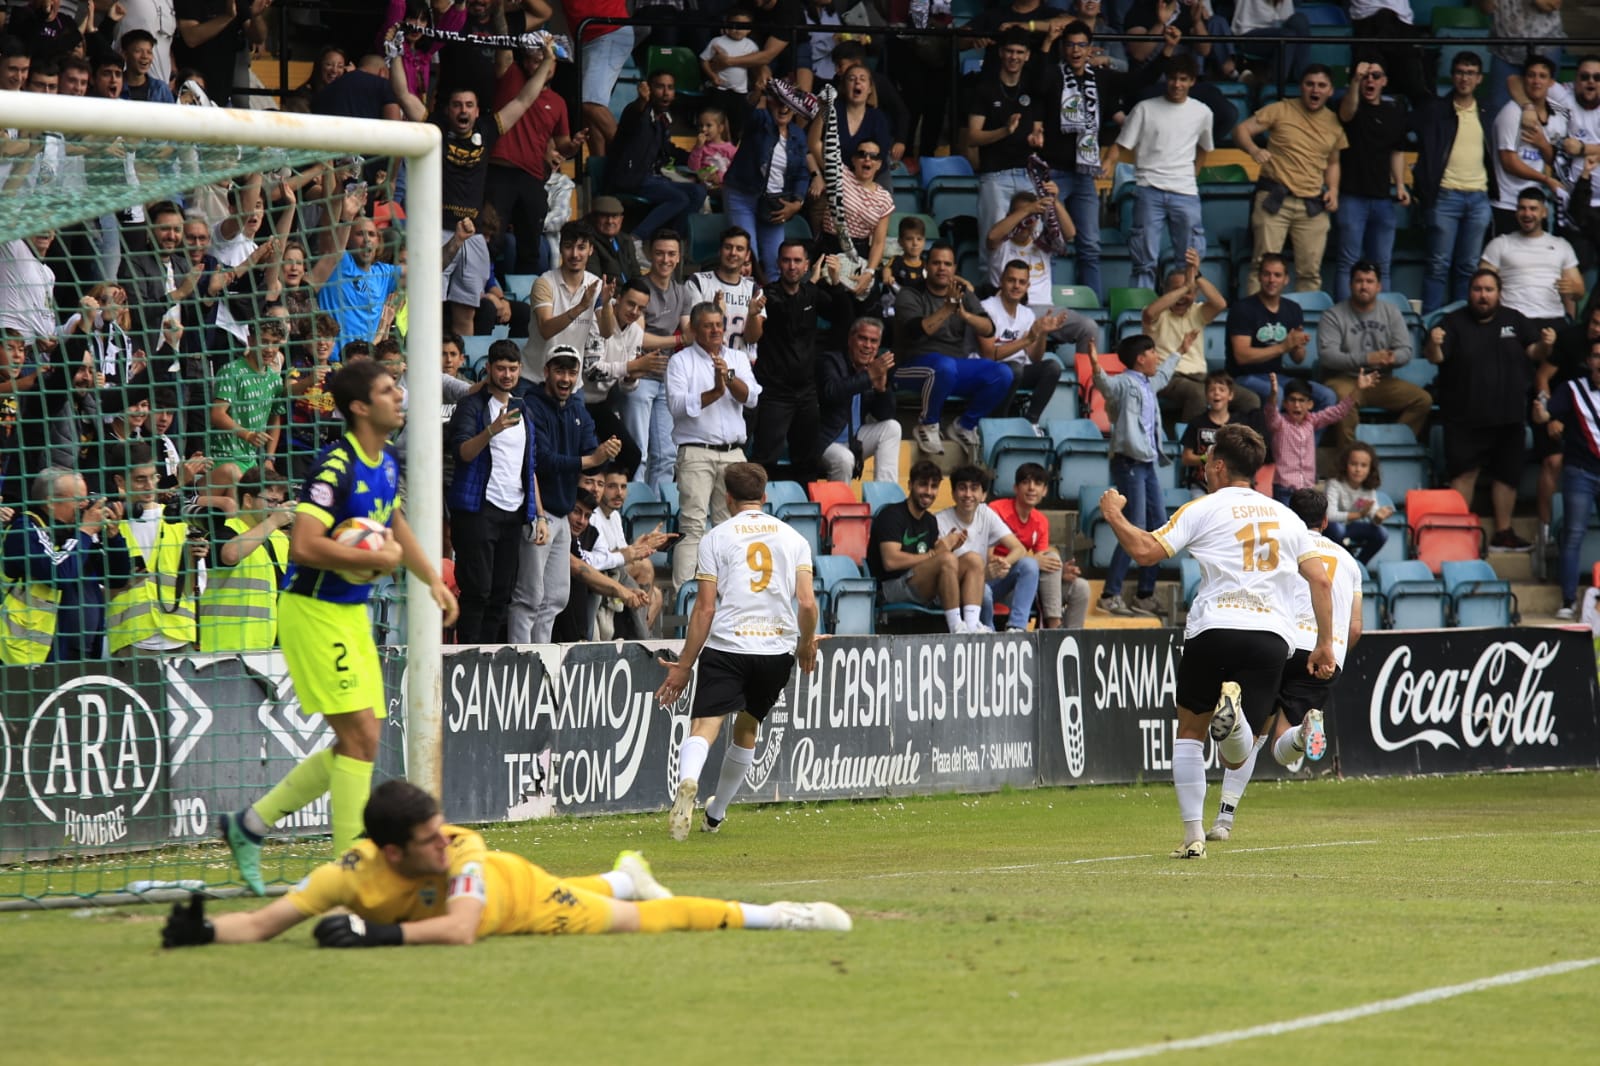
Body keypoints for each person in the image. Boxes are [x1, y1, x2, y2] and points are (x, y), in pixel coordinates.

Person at [221, 360, 460, 896]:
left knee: (361, 741)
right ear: (359, 407)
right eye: (386, 389)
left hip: (351, 612)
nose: (400, 396)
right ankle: (350, 868)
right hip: (313, 610)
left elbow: (394, 522)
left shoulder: (387, 460)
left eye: (398, 385)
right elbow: (304, 544)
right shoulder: (334, 466)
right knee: (360, 737)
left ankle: (250, 826)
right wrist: (382, 560)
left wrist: (430, 579)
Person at [164, 779, 849, 949]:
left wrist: (377, 936)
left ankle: (779, 915)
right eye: (429, 839)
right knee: (619, 891)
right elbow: (260, 924)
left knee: (647, 923)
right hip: (503, 892)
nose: (448, 840)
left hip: (514, 898)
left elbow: (461, 930)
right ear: (391, 853)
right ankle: (622, 873)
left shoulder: (464, 852)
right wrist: (204, 931)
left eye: (443, 830)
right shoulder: (348, 875)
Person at [1099, 423, 1335, 858]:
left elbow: (1147, 552)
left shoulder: (1202, 508)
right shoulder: (1287, 517)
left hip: (1213, 629)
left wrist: (1114, 514)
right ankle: (1238, 721)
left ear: (1221, 465)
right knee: (1236, 755)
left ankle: (1192, 836)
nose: (1205, 469)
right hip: (1269, 636)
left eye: (1208, 462)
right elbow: (1320, 581)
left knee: (1190, 732)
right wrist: (1323, 644)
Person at [657, 463, 818, 838]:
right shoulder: (794, 538)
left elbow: (705, 608)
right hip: (775, 649)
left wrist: (683, 666)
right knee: (748, 727)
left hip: (728, 644)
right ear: (764, 497)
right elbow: (807, 603)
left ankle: (689, 780)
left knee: (705, 724)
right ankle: (716, 815)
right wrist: (806, 642)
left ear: (726, 497)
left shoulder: (716, 537)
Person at [1207, 487, 1361, 842]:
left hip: (1281, 643)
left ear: (1289, 515)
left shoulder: (1283, 547)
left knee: (1250, 739)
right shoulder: (1350, 563)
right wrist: (1333, 651)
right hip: (1326, 654)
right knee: (1282, 748)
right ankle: (1306, 730)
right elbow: (1355, 627)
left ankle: (1224, 821)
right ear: (1325, 521)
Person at [1424, 269, 1555, 553]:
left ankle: (1503, 533)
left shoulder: (1515, 320)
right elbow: (1438, 357)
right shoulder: (1453, 321)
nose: (1483, 295)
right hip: (1463, 418)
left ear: (1499, 293)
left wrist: (1545, 344)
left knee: (1507, 477)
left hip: (1508, 417)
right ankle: (1457, 531)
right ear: (1469, 292)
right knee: (1463, 475)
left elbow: (1535, 353)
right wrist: (1433, 344)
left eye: (1488, 290)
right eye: (1477, 289)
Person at [515, 345, 621, 643]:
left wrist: (607, 452)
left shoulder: (576, 408)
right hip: (538, 511)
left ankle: (541, 656)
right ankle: (521, 657)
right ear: (546, 371)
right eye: (559, 370)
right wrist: (593, 460)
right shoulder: (531, 406)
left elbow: (591, 449)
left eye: (571, 372)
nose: (565, 378)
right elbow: (543, 461)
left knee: (556, 597)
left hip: (561, 512)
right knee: (529, 597)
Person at [448, 341, 546, 646]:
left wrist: (539, 515)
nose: (507, 374)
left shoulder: (523, 406)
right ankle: (466, 654)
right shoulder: (472, 406)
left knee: (502, 592)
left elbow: (529, 465)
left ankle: (490, 656)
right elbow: (463, 452)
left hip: (513, 511)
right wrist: (492, 430)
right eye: (500, 368)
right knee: (478, 590)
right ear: (488, 368)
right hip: (478, 510)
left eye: (513, 369)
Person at [666, 303, 761, 591]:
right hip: (696, 451)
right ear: (694, 329)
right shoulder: (680, 362)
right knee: (693, 526)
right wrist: (715, 392)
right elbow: (677, 407)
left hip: (733, 452)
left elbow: (753, 397)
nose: (716, 330)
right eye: (708, 325)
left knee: (730, 528)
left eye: (719, 325)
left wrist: (728, 379)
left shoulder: (736, 357)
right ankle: (685, 597)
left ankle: (729, 594)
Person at [1233, 65, 1349, 295]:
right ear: (1302, 87)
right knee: (1262, 267)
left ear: (1330, 91)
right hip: (1275, 198)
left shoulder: (1334, 123)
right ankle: (1256, 325)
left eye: (1321, 85)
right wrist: (1254, 150)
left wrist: (1333, 189)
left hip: (1312, 204)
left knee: (1310, 272)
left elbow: (1334, 162)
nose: (1315, 90)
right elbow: (1241, 130)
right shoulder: (1281, 109)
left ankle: (1303, 325)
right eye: (1310, 84)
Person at [0, 465, 133, 664]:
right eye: (78, 500)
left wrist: (113, 537)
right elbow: (59, 573)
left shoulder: (77, 532)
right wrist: (86, 532)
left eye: (86, 498)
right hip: (31, 655)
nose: (85, 505)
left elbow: (118, 578)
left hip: (83, 651)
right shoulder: (25, 529)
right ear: (52, 502)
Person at [1104, 53, 1214, 292]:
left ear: (1192, 81)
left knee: (1190, 261)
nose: (1177, 84)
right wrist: (1109, 162)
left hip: (1184, 192)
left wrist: (1192, 175)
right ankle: (1141, 308)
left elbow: (1205, 148)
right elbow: (1121, 144)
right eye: (1173, 78)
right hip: (1148, 189)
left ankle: (1185, 307)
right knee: (1143, 261)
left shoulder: (1203, 112)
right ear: (1166, 79)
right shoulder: (1145, 109)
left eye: (1183, 79)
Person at [1093, 333, 1183, 617]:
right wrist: (1096, 367)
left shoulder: (1148, 382)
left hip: (1147, 464)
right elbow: (1106, 387)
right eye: (1153, 352)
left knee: (1157, 526)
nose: (1157, 357)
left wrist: (1180, 350)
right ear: (1140, 358)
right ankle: (1110, 593)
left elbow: (1165, 373)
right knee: (1135, 524)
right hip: (1129, 463)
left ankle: (1145, 594)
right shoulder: (1123, 382)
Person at [892, 244, 1003, 454]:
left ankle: (964, 426)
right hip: (911, 365)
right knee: (944, 367)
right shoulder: (910, 292)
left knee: (1001, 373)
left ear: (954, 269)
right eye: (936, 263)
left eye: (947, 264)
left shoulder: (963, 294)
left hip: (952, 366)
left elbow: (989, 329)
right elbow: (916, 331)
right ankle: (928, 424)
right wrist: (947, 309)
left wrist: (966, 315)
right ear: (926, 266)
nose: (942, 268)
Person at [1410, 51, 1494, 314]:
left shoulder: (1487, 112)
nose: (1464, 78)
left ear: (1479, 78)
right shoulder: (1436, 110)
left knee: (1468, 268)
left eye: (1470, 73)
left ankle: (1462, 326)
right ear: (1452, 75)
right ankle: (1429, 326)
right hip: (1445, 196)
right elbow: (1411, 140)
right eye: (1459, 72)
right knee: (1438, 265)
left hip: (1479, 197)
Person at [1315, 262, 1432, 449]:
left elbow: (1406, 350)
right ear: (1350, 284)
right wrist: (1368, 358)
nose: (1364, 286)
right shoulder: (1333, 315)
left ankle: (1393, 446)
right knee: (1345, 399)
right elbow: (1328, 356)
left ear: (1379, 286)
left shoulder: (1391, 312)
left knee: (1422, 400)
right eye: (1359, 281)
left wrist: (1394, 358)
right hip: (1345, 379)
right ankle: (1350, 460)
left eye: (1369, 281)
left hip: (1381, 380)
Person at [107, 441, 204, 657]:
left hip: (179, 638)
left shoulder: (181, 519)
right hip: (129, 641)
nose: (150, 486)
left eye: (154, 477)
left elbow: (196, 589)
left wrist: (191, 561)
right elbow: (98, 594)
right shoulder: (109, 525)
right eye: (140, 480)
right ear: (120, 481)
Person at [868, 459, 986, 634]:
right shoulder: (891, 515)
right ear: (910, 485)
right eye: (923, 485)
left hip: (919, 582)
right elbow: (890, 561)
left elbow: (935, 563)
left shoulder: (930, 521)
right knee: (946, 559)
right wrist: (936, 554)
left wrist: (948, 548)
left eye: (934, 486)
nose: (928, 492)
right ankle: (956, 627)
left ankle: (971, 625)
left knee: (973, 559)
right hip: (889, 588)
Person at [1534, 335, 1600, 618]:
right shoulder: (1573, 389)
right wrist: (1540, 413)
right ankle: (1568, 600)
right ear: (1588, 361)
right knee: (1573, 535)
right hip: (1581, 473)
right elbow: (1544, 416)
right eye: (1596, 356)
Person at [1333, 58, 1411, 300]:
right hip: (1351, 196)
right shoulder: (1349, 105)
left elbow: (1397, 152)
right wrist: (1355, 80)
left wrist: (1399, 185)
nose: (1370, 80)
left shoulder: (1394, 112)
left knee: (1382, 265)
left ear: (1384, 81)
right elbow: (1347, 114)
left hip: (1382, 199)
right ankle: (1344, 321)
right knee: (1348, 263)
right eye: (1366, 76)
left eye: (1376, 76)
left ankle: (1380, 321)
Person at [196, 468, 293, 654]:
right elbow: (229, 555)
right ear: (248, 500)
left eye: (280, 503)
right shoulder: (224, 530)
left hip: (262, 648)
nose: (278, 509)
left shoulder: (279, 540)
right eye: (271, 502)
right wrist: (273, 522)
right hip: (219, 648)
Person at [719, 87, 809, 283]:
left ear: (794, 108)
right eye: (778, 101)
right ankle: (746, 310)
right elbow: (745, 110)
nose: (783, 108)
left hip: (774, 203)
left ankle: (773, 309)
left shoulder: (798, 135)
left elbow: (802, 173)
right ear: (770, 102)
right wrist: (757, 92)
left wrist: (797, 203)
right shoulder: (760, 121)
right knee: (746, 257)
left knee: (776, 261)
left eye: (788, 104)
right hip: (742, 195)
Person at [1226, 253, 1337, 410]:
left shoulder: (1292, 309)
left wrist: (1297, 345)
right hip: (1242, 378)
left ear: (1286, 279)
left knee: (1327, 396)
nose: (1272, 280)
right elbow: (1242, 356)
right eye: (1267, 274)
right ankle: (1272, 436)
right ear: (1259, 277)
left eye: (1277, 275)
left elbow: (1298, 359)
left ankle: (1306, 436)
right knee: (1276, 394)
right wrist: (1282, 347)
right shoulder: (1243, 308)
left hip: (1278, 377)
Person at [937, 464, 1038, 633]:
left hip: (985, 579)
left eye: (974, 489)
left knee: (1029, 565)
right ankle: (987, 633)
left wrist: (1003, 564)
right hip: (955, 590)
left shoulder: (986, 513)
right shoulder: (940, 520)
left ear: (983, 495)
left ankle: (1017, 627)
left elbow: (1018, 548)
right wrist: (984, 573)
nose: (968, 494)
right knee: (983, 592)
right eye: (962, 488)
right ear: (953, 494)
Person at [752, 240, 822, 482]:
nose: (791, 266)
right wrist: (813, 283)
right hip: (775, 392)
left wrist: (833, 285)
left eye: (797, 261)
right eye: (786, 260)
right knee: (765, 459)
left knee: (808, 461)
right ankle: (757, 515)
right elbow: (789, 317)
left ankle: (806, 516)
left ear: (806, 265)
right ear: (778, 263)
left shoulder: (812, 294)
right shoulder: (768, 295)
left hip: (807, 392)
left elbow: (843, 317)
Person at [609, 71, 708, 241]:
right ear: (649, 88)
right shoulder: (638, 113)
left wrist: (700, 158)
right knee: (679, 198)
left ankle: (672, 239)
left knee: (698, 191)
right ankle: (636, 239)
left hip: (654, 179)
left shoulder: (663, 120)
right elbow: (635, 113)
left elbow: (669, 151)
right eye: (660, 86)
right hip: (631, 177)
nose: (666, 92)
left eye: (670, 87)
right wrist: (642, 100)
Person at [628, 229, 692, 488]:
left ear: (678, 258)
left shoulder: (682, 292)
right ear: (649, 255)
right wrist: (677, 340)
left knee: (666, 456)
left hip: (666, 378)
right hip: (640, 376)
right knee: (638, 454)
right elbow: (639, 338)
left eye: (671, 254)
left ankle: (654, 512)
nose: (665, 259)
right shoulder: (640, 288)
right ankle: (629, 514)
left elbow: (689, 331)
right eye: (660, 253)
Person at [991, 462, 1090, 629]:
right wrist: (1031, 561)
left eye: (1037, 484)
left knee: (1080, 587)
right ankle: (1053, 627)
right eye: (1025, 483)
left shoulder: (1041, 521)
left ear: (1044, 491)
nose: (1031, 488)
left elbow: (1043, 561)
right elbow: (985, 556)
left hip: (1026, 585)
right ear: (1016, 488)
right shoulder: (997, 510)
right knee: (1032, 563)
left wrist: (1058, 570)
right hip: (998, 582)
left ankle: (1070, 640)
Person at [1146, 249, 1240, 423]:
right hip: (1167, 376)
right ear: (1166, 291)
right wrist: (1184, 288)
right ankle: (1191, 446)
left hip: (1200, 376)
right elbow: (1150, 313)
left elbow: (1220, 304)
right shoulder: (1158, 312)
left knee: (1249, 399)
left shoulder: (1196, 311)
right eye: (1176, 291)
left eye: (1189, 292)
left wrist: (1196, 275)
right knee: (1198, 394)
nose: (1183, 297)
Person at [969, 28, 1041, 249]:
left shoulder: (1033, 89)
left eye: (1020, 52)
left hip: (1027, 174)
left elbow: (1038, 129)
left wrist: (1037, 139)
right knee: (993, 242)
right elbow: (973, 137)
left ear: (1027, 55)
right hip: (994, 175)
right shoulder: (984, 89)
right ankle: (990, 285)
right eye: (1009, 51)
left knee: (1031, 240)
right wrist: (1005, 131)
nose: (1014, 57)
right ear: (1001, 53)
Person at [978, 260, 1067, 424]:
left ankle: (1031, 422)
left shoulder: (1027, 314)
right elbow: (989, 355)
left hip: (1017, 372)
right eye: (1011, 280)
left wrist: (1042, 334)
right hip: (989, 372)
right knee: (1015, 370)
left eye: (1022, 282)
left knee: (1052, 367)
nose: (1016, 286)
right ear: (1001, 282)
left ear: (1027, 286)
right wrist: (1027, 339)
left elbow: (1035, 358)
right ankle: (999, 422)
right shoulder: (986, 308)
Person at [523, 221, 612, 382]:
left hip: (571, 382)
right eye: (568, 246)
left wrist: (606, 305)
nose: (574, 254)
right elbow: (545, 330)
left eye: (581, 247)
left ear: (591, 250)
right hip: (535, 378)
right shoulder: (544, 283)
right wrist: (580, 307)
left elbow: (606, 332)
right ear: (560, 248)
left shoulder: (596, 285)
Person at [1263, 371, 1373, 501]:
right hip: (1284, 489)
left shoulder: (1312, 421)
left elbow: (1340, 411)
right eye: (1292, 400)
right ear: (1285, 404)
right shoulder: (1279, 424)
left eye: (1301, 400)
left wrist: (1357, 389)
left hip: (1308, 489)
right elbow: (1271, 412)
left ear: (1310, 404)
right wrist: (1273, 395)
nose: (1297, 405)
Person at [816, 316, 901, 484]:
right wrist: (868, 376)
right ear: (850, 340)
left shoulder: (873, 369)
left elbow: (886, 414)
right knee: (844, 458)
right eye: (862, 338)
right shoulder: (829, 361)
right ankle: (839, 509)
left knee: (892, 428)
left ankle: (884, 499)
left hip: (853, 439)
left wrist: (881, 390)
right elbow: (832, 393)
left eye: (873, 341)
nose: (868, 346)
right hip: (824, 441)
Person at [1489, 56, 1567, 237]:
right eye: (1531, 75)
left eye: (1542, 76)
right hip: (1508, 203)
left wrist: (1542, 144)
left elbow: (1555, 160)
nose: (1536, 81)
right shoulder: (1511, 113)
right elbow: (1509, 162)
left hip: (1537, 204)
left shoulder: (1558, 116)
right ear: (1524, 80)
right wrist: (1545, 180)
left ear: (1551, 82)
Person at [688, 227, 766, 353]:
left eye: (739, 249)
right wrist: (715, 311)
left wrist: (752, 316)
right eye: (728, 247)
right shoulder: (698, 282)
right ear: (720, 250)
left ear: (747, 255)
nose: (733, 253)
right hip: (705, 363)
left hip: (739, 367)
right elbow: (692, 331)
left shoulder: (754, 290)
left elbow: (752, 339)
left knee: (729, 374)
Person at [1322, 441, 1392, 565]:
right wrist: (1359, 515)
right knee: (1338, 529)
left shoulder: (1368, 488)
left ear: (1370, 469)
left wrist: (1379, 517)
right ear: (1345, 465)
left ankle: (1358, 564)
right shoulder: (1334, 483)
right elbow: (1330, 515)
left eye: (1364, 465)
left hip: (1350, 528)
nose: (1358, 469)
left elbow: (1373, 515)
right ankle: (1340, 562)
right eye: (1354, 464)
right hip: (1330, 528)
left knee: (1381, 533)